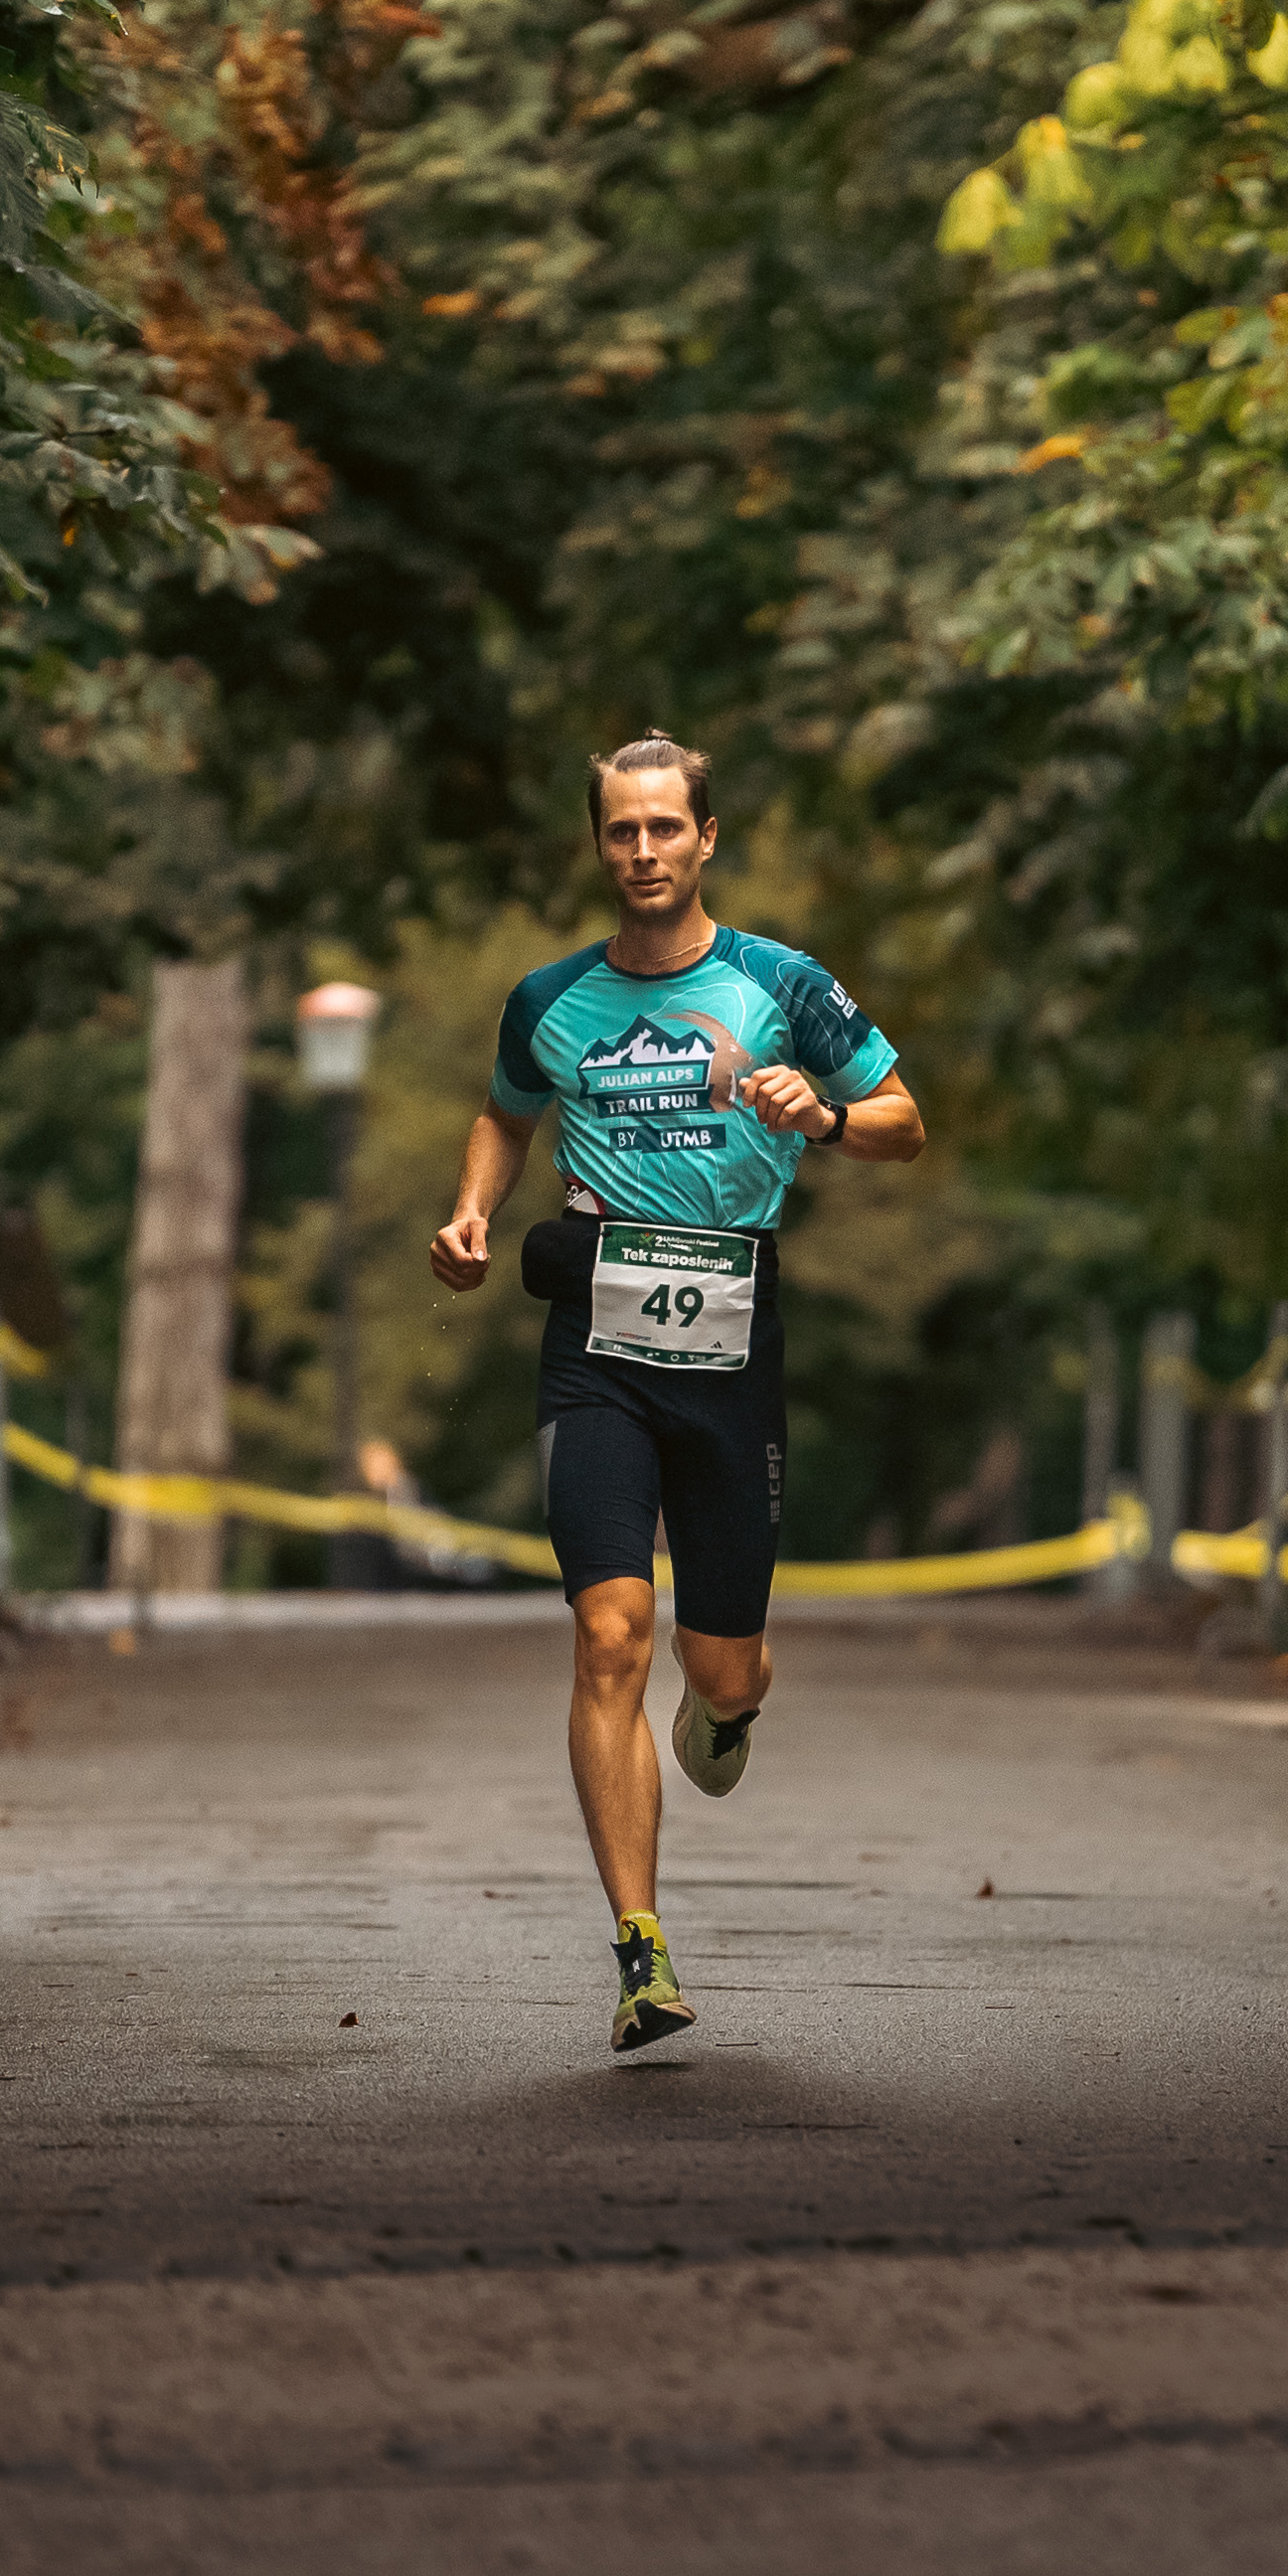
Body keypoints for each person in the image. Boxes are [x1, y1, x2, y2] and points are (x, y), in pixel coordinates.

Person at [430, 731, 924, 2053]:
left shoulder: (782, 984)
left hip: (730, 1344)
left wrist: (816, 1112)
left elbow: (905, 1120)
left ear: (707, 839)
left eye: (665, 830)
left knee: (724, 1662)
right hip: (593, 1350)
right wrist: (476, 1212)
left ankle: (731, 1705)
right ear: (599, 845)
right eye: (620, 832)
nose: (642, 852)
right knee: (606, 1637)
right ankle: (641, 1952)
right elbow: (504, 1113)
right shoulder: (550, 998)